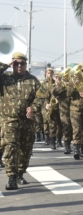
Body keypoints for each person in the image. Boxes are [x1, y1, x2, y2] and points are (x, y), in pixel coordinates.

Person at [0, 52, 40, 190]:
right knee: (10, 146)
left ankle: (20, 173)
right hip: (9, 120)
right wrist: (5, 66)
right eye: (16, 63)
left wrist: (34, 108)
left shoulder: (33, 81)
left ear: (26, 64)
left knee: (25, 149)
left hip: (27, 121)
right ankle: (11, 177)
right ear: (12, 64)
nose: (19, 66)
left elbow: (41, 97)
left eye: (22, 63)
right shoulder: (4, 79)